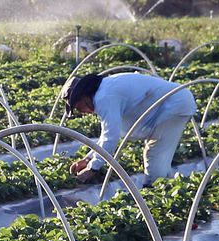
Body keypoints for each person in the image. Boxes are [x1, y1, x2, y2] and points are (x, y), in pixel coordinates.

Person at [63, 72, 196, 186]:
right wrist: (87, 159)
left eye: (79, 107)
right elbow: (106, 135)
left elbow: (111, 138)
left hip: (175, 105)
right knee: (158, 155)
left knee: (155, 153)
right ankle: (165, 187)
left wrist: (93, 168)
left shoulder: (104, 98)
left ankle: (155, 195)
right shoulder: (105, 89)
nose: (83, 112)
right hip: (174, 103)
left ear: (84, 97)